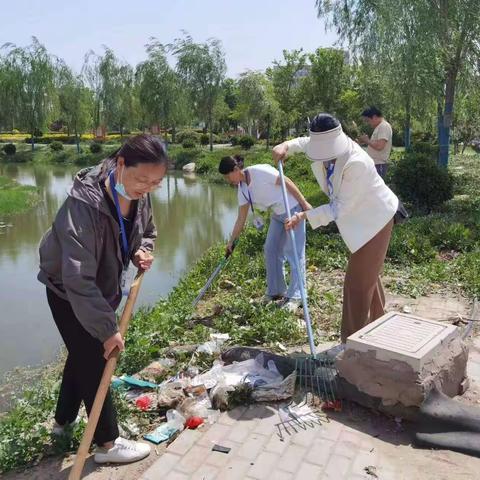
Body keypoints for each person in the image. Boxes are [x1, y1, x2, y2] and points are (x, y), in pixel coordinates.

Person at [38, 134, 167, 464]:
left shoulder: (139, 193)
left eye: (156, 182)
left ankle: (61, 423)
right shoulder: (82, 206)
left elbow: (147, 231)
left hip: (102, 288)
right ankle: (107, 444)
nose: (147, 187)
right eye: (142, 179)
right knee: (96, 358)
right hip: (68, 291)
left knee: (81, 354)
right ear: (121, 164)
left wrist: (143, 250)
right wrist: (108, 329)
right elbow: (77, 278)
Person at [272, 114, 399, 346]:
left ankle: (349, 345)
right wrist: (285, 146)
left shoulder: (356, 163)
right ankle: (378, 328)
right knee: (368, 276)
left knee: (356, 286)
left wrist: (304, 215)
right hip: (358, 221)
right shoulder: (324, 143)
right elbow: (303, 143)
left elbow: (339, 208)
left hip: (375, 221)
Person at [219, 155, 311, 311]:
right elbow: (241, 218)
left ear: (236, 169)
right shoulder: (242, 189)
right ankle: (276, 291)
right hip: (277, 214)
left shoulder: (259, 172)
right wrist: (231, 241)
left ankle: (296, 296)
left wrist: (304, 205)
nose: (229, 180)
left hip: (292, 209)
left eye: (228, 176)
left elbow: (286, 181)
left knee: (294, 251)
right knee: (270, 249)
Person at [357, 106, 393, 179]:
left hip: (379, 165)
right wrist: (364, 141)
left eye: (368, 120)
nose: (368, 123)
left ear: (374, 117)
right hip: (375, 164)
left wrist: (367, 140)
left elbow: (380, 146)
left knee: (377, 190)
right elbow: (376, 143)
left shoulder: (384, 126)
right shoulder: (379, 127)